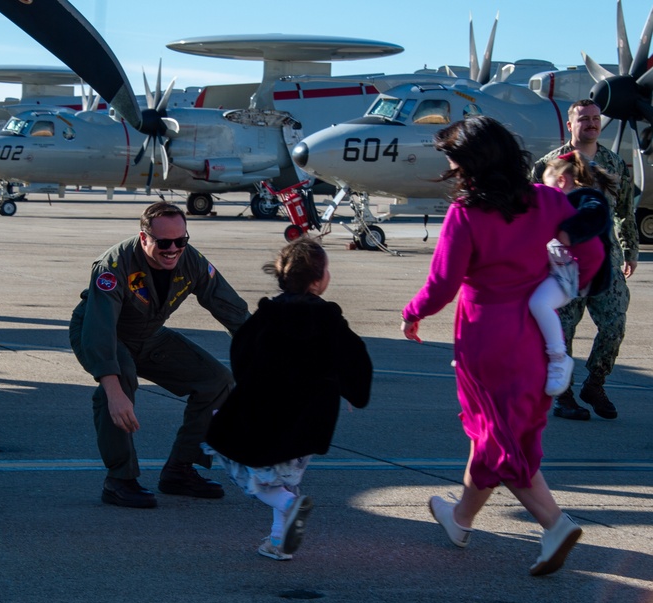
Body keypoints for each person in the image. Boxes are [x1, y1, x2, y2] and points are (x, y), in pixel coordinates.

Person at [401, 116, 604, 576]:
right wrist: (563, 288)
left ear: (470, 163)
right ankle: (461, 519)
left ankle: (554, 523)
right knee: (497, 431)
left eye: (453, 159)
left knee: (501, 439)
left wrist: (413, 312)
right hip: (532, 336)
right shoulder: (550, 201)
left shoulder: (466, 215)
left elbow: (441, 285)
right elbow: (590, 254)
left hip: (485, 338)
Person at [68, 202, 250, 509]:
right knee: (121, 379)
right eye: (164, 243)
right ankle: (119, 480)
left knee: (216, 381)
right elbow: (100, 332)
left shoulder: (190, 260)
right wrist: (113, 392)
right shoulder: (113, 267)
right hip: (101, 333)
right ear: (144, 238)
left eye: (181, 241)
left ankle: (179, 470)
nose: (173, 249)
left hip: (147, 335)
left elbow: (231, 309)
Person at [204, 238, 372, 560]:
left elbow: (241, 352)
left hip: (267, 412)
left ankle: (286, 505)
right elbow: (355, 357)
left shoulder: (267, 316)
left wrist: (247, 384)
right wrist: (352, 390)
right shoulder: (329, 319)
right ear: (318, 279)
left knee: (246, 465)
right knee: (287, 474)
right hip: (312, 418)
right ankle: (279, 541)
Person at [530, 100, 639, 421]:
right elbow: (533, 212)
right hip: (563, 263)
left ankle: (596, 382)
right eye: (584, 119)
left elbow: (624, 212)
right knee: (562, 329)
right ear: (570, 124)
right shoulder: (547, 165)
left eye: (595, 119)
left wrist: (630, 250)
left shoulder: (614, 163)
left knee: (614, 325)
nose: (591, 124)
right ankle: (564, 395)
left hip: (605, 259)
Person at [530, 152, 614, 396]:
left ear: (562, 181)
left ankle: (559, 358)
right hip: (560, 269)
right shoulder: (558, 205)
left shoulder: (584, 196)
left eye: (547, 185)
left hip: (574, 272)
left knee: (539, 303)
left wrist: (569, 232)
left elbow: (596, 212)